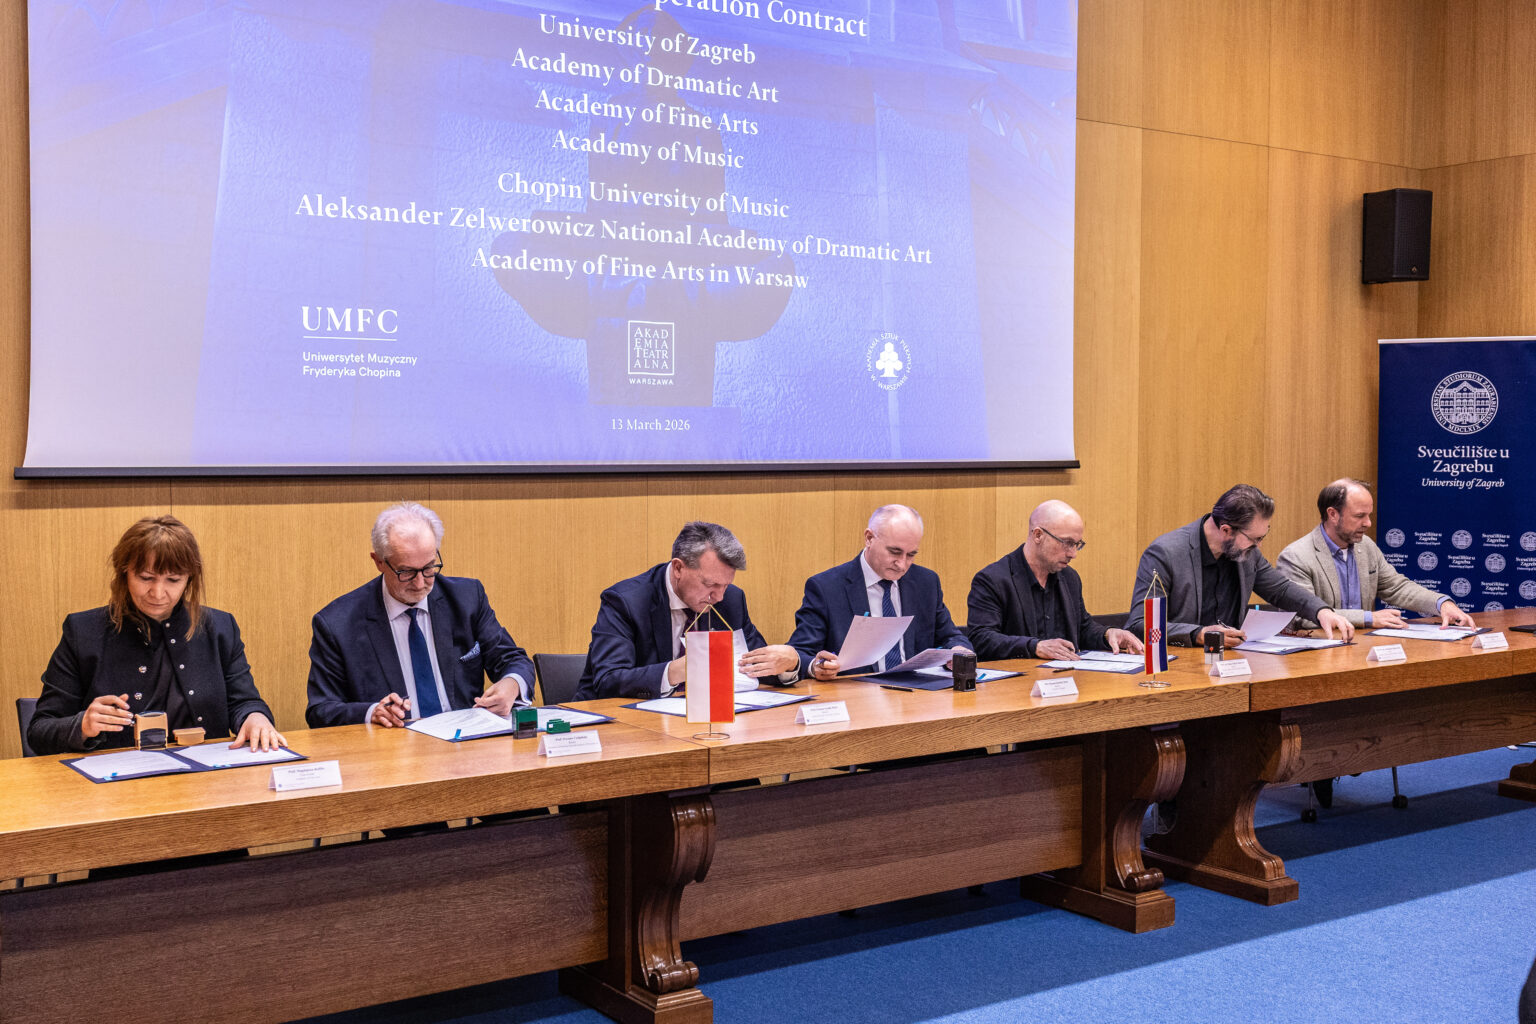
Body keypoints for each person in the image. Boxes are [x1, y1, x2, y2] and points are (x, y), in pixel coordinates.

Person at [30, 515, 283, 756]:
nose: (158, 593)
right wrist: (83, 725)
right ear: (124, 573)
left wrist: (255, 718)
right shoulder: (83, 631)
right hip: (119, 779)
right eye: (146, 578)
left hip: (206, 775)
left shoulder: (220, 627)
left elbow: (245, 702)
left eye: (173, 580)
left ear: (189, 579)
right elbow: (40, 731)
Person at [306, 502, 534, 728]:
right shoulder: (338, 624)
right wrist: (371, 712)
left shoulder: (467, 598)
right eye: (406, 572)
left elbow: (513, 660)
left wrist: (511, 684)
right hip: (393, 744)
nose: (419, 583)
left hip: (464, 740)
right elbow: (321, 710)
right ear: (379, 562)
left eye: (428, 568)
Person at [573, 521, 799, 700]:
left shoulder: (731, 599)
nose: (719, 597)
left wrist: (789, 664)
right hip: (620, 722)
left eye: (725, 585)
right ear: (678, 568)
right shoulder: (626, 601)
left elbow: (756, 665)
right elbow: (608, 680)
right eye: (710, 584)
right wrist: (675, 671)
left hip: (703, 720)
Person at [1125, 484, 1355, 647]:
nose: (1259, 546)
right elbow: (1139, 624)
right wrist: (1199, 634)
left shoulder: (1246, 552)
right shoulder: (1165, 553)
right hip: (1183, 664)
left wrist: (1321, 611)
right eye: (1255, 539)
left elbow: (1281, 589)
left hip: (1235, 661)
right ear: (1226, 530)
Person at [790, 504, 971, 680]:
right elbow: (800, 653)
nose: (902, 564)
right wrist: (816, 666)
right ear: (869, 538)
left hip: (917, 692)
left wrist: (958, 650)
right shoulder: (826, 587)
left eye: (911, 555)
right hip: (855, 693)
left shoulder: (926, 582)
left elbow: (951, 637)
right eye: (894, 552)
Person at [1276, 478, 1477, 630]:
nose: (1368, 523)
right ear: (1333, 514)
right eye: (1359, 516)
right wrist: (1368, 618)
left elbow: (1396, 587)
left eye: (1369, 515)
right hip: (1319, 655)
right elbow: (1301, 616)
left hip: (1363, 648)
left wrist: (1441, 603)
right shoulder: (1296, 557)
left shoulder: (1366, 546)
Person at [968, 500, 1144, 661]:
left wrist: (1108, 634)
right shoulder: (993, 580)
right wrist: (1035, 647)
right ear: (1038, 535)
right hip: (1018, 681)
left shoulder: (1069, 577)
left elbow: (1082, 628)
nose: (1073, 554)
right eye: (1067, 543)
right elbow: (981, 639)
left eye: (1077, 544)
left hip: (1067, 677)